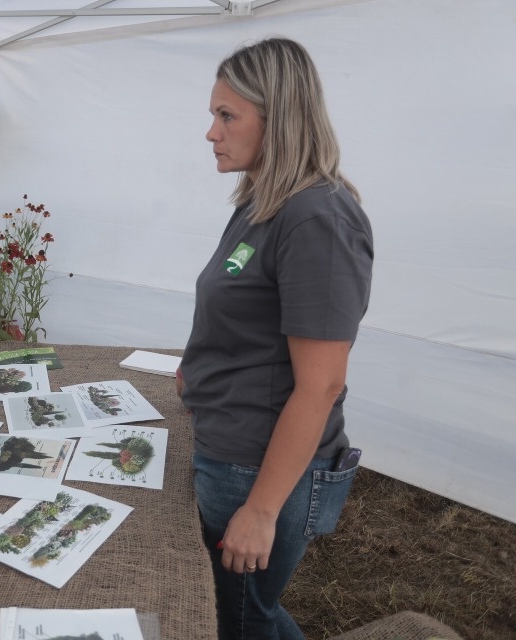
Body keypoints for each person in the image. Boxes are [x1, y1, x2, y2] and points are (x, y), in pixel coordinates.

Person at [179, 38, 373, 639]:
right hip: (230, 448)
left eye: (227, 115)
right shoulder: (264, 202)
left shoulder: (318, 217)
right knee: (243, 611)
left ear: (280, 116)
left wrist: (261, 511)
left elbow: (321, 386)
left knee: (237, 619)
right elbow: (244, 313)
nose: (211, 131)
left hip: (259, 471)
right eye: (215, 114)